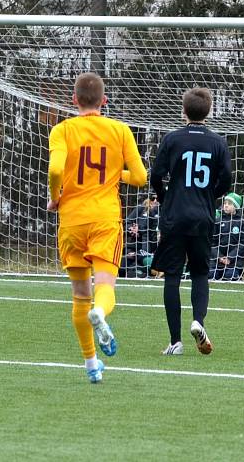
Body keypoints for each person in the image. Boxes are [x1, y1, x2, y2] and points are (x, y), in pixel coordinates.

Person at [47, 72, 147, 383]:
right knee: (105, 287)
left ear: (73, 99)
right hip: (105, 218)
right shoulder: (119, 130)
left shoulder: (62, 130)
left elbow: (55, 169)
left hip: (73, 220)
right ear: (104, 101)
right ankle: (101, 314)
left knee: (79, 295)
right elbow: (142, 177)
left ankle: (91, 364)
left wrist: (55, 197)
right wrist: (118, 175)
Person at [150, 87, 232, 356]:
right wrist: (210, 196)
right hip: (203, 216)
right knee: (199, 273)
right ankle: (198, 321)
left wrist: (165, 198)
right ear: (208, 112)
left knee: (172, 276)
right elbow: (227, 180)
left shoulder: (172, 139)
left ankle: (175, 342)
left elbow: (156, 175)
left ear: (183, 111)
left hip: (175, 216)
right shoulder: (218, 143)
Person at [209, 192, 244, 281]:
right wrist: (219, 257)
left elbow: (243, 244)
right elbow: (212, 243)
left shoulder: (243, 223)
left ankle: (237, 274)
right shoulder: (217, 221)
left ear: (236, 206)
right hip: (217, 261)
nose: (226, 206)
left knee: (230, 276)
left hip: (234, 262)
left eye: (229, 204)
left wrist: (230, 258)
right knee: (211, 275)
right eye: (225, 203)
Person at [120, 194, 159, 277]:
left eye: (157, 198)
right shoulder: (141, 209)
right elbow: (127, 223)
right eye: (153, 198)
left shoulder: (165, 212)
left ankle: (152, 270)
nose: (155, 201)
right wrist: (132, 229)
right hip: (136, 249)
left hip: (156, 252)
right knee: (123, 267)